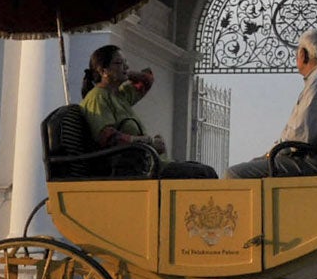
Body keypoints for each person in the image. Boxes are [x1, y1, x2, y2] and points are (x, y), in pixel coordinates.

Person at [227, 29, 317, 177]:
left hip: (312, 161)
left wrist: (270, 155)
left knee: (234, 174)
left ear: (303, 55)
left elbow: (300, 134)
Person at [79, 45, 218, 179]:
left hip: (147, 164)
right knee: (203, 174)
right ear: (103, 71)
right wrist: (148, 142)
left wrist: (126, 73)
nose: (126, 67)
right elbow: (108, 138)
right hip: (132, 169)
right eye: (119, 63)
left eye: (125, 63)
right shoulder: (97, 97)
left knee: (204, 170)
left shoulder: (121, 95)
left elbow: (147, 79)